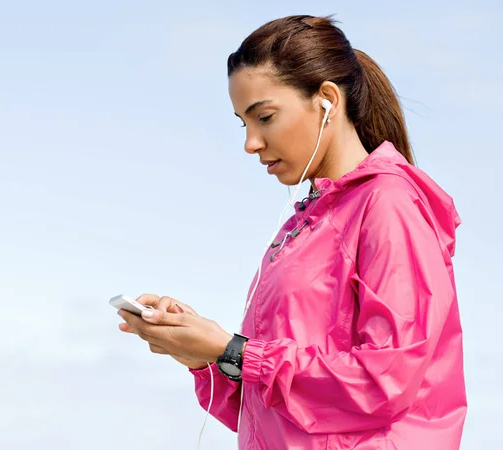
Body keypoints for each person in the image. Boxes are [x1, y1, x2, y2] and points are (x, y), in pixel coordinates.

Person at [117, 14, 467, 450]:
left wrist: (234, 351)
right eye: (243, 123)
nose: (250, 142)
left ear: (326, 100)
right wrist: (205, 355)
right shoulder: (301, 226)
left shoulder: (389, 203)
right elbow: (274, 411)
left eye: (264, 117)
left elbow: (385, 382)